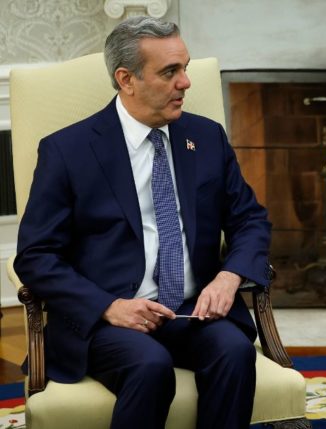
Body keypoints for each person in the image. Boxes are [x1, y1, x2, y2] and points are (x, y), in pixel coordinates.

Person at [13, 16, 271, 429]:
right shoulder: (68, 151)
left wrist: (229, 276)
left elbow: (250, 220)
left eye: (185, 67)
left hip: (192, 311)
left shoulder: (206, 138)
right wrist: (109, 307)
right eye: (170, 71)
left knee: (234, 351)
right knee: (150, 366)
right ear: (126, 79)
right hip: (110, 317)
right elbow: (36, 255)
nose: (185, 82)